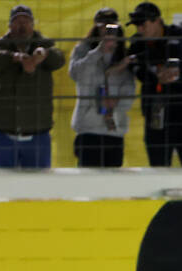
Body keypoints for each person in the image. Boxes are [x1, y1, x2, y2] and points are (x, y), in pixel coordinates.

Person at [126, 1, 182, 166]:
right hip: (156, 112)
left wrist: (151, 63)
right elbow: (139, 73)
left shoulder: (176, 33)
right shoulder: (135, 43)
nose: (140, 29)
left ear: (157, 20)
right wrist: (157, 75)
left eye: (143, 24)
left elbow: (176, 57)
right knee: (158, 167)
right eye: (136, 25)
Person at [0, 4, 66, 168]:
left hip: (38, 131)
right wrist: (16, 57)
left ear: (33, 24)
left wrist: (43, 56)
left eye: (26, 21)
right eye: (17, 21)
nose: (22, 25)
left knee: (40, 187)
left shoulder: (45, 45)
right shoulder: (0, 45)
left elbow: (58, 59)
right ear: (9, 26)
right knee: (2, 185)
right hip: (4, 130)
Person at [69, 7, 136, 167]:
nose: (107, 30)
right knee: (86, 186)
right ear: (96, 27)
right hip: (88, 129)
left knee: (113, 186)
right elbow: (76, 74)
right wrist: (100, 50)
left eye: (111, 26)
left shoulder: (124, 53)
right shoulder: (83, 49)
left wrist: (117, 103)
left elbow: (130, 89)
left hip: (114, 129)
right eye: (103, 26)